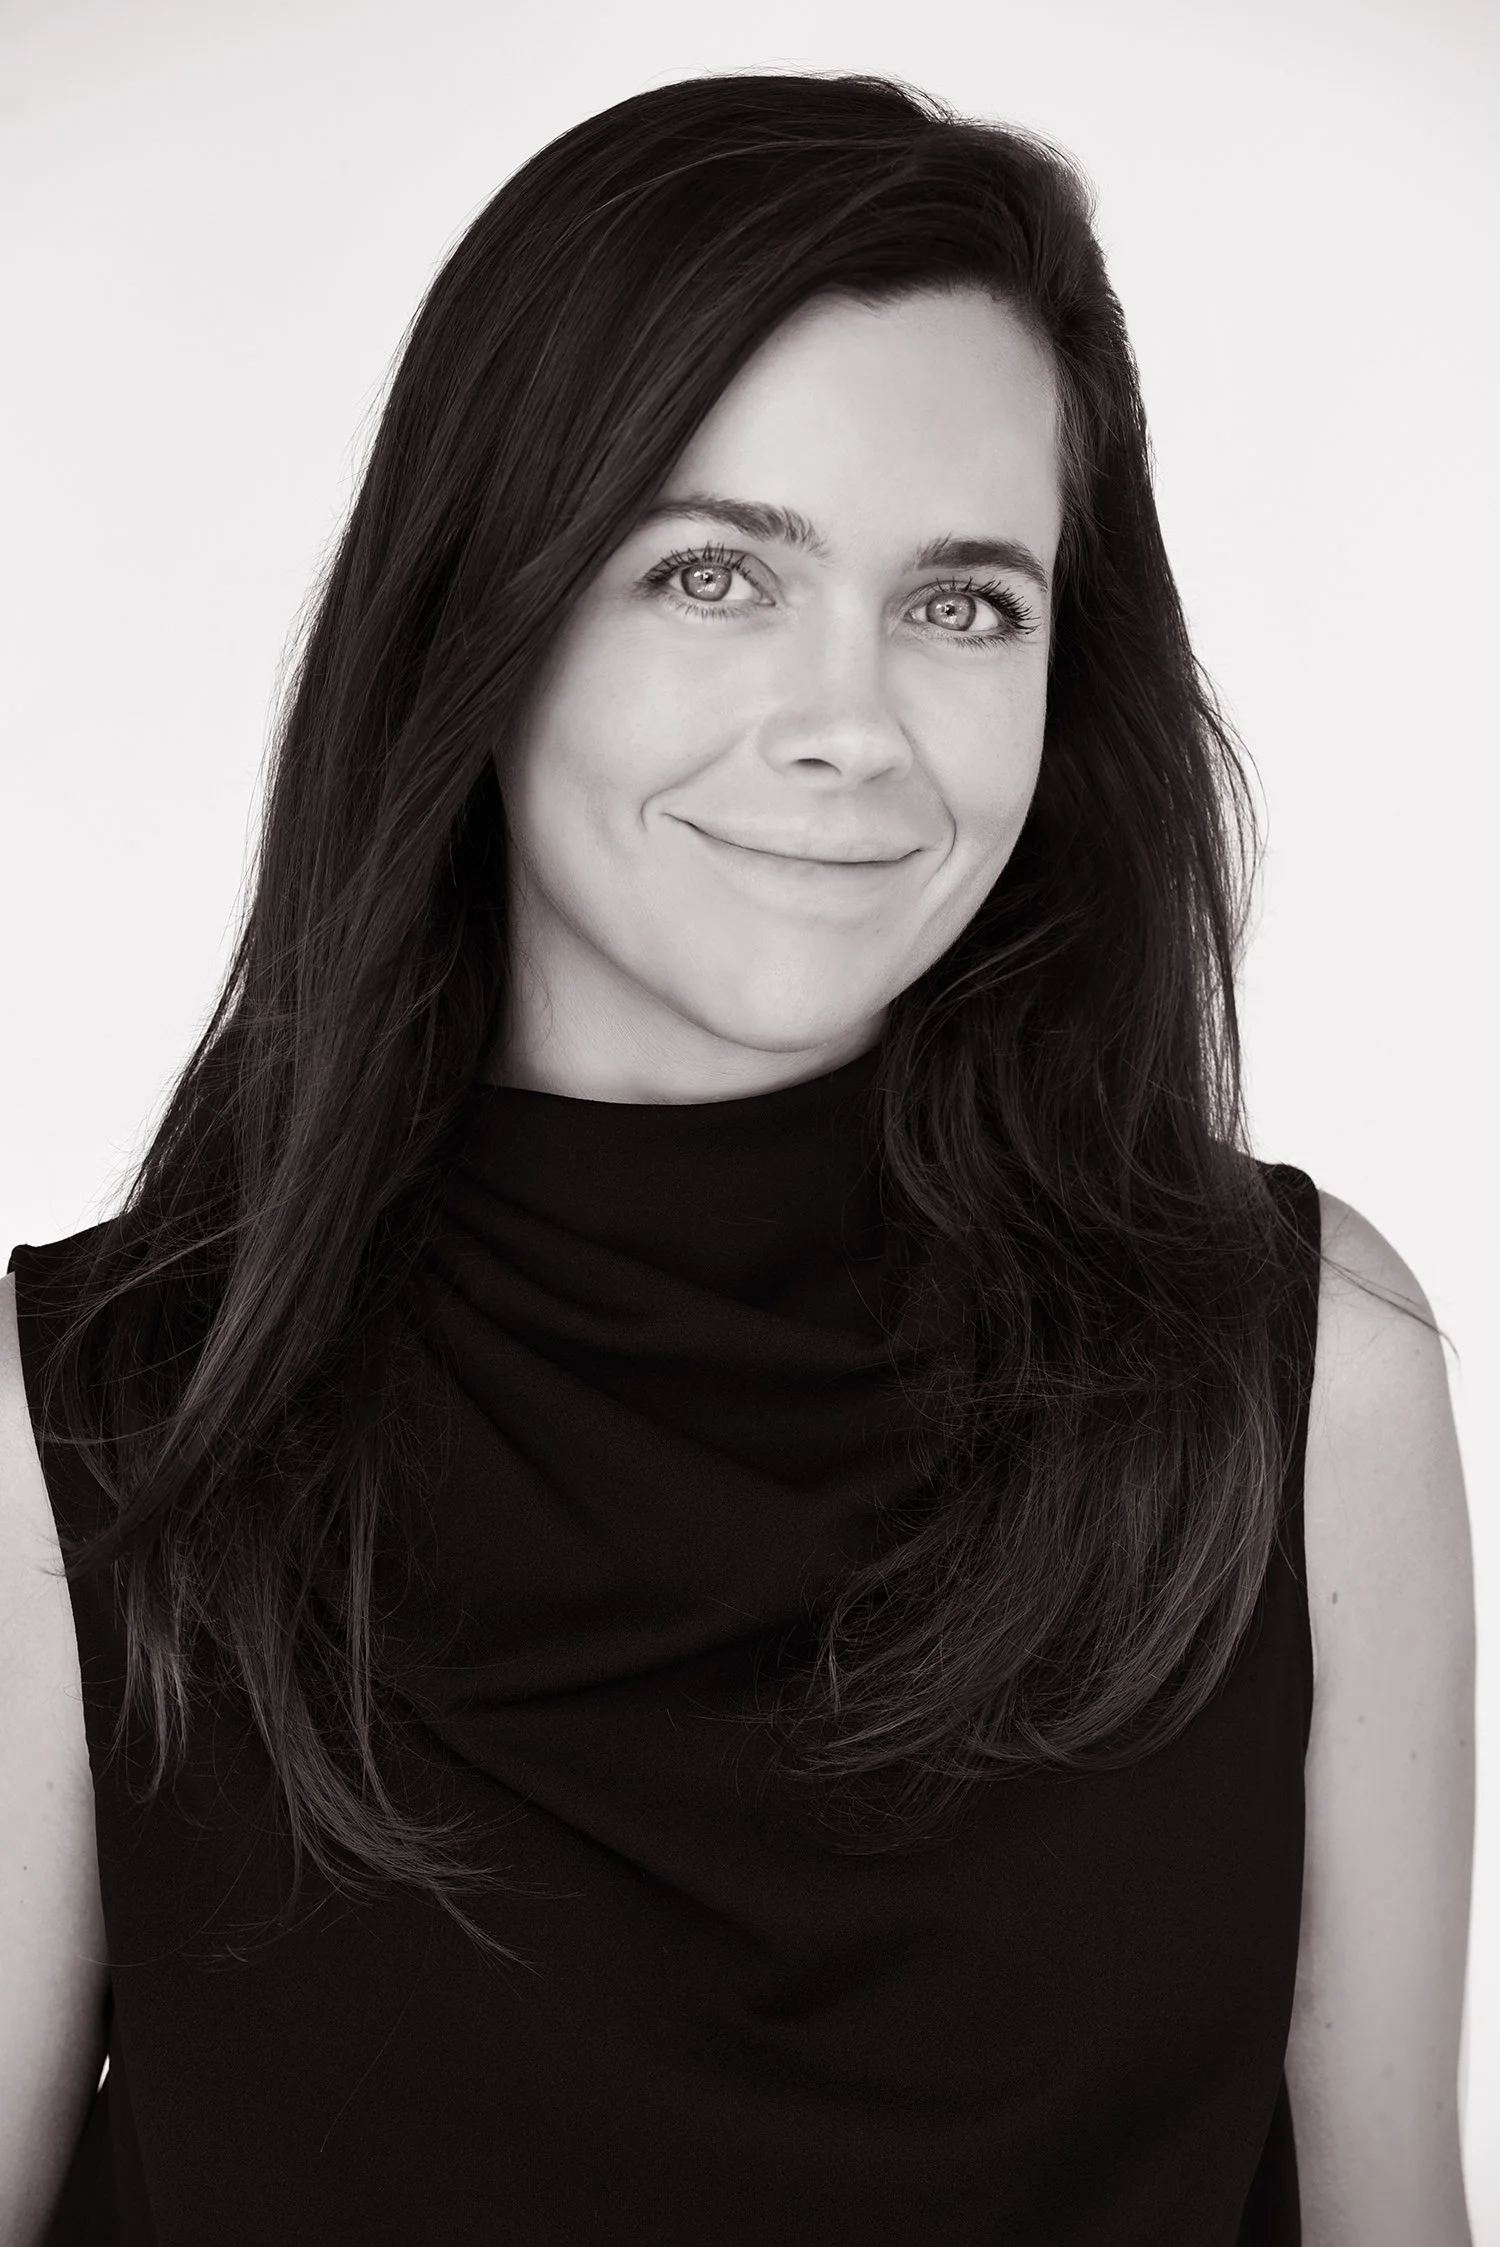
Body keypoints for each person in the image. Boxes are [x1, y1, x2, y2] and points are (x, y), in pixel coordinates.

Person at [0, 68, 1475, 2247]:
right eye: (712, 573)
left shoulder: (1302, 1382)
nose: (850, 718)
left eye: (965, 603)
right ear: (479, 617)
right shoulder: (99, 1427)